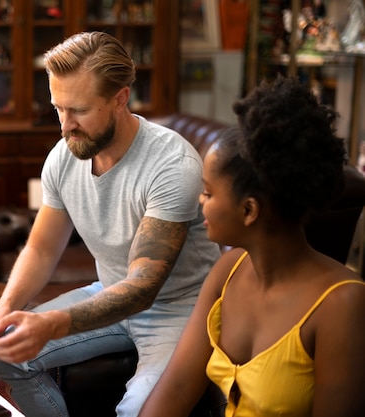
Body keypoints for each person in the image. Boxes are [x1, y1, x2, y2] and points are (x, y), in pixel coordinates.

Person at [0, 31, 221, 416]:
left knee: (137, 412)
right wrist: (7, 305)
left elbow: (142, 289)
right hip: (107, 292)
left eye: (79, 110)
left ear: (120, 98)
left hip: (180, 308)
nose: (65, 125)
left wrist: (53, 324)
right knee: (3, 357)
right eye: (58, 107)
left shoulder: (172, 164)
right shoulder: (63, 156)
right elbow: (41, 248)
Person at [138, 76, 365, 417]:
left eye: (209, 192)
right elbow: (177, 388)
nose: (201, 202)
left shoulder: (341, 304)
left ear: (249, 210)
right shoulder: (227, 272)